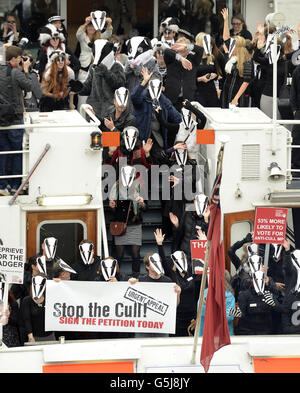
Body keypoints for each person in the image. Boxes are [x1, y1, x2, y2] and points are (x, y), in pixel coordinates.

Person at [154, 228, 201, 336]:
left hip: (192, 315)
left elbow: (203, 264)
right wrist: (160, 244)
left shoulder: (192, 272)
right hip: (176, 316)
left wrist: (203, 242)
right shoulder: (172, 274)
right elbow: (164, 263)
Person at [0, 44, 33, 196]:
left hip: (1, 119)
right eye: (20, 58)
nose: (21, 60)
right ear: (13, 59)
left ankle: (2, 184)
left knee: (4, 152)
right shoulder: (16, 73)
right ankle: (15, 185)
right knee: (16, 152)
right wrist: (26, 70)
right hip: (15, 118)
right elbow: (30, 86)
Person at [131, 67, 182, 156]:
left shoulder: (163, 101)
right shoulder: (142, 98)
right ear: (148, 86)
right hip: (141, 139)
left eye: (158, 86)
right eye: (152, 85)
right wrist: (144, 81)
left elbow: (177, 118)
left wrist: (162, 99)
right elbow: (134, 97)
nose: (155, 88)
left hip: (158, 140)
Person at [71, 39, 126, 121]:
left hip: (111, 112)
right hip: (93, 111)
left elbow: (120, 86)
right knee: (93, 133)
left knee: (110, 134)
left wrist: (106, 72)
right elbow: (89, 87)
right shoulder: (93, 68)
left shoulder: (117, 67)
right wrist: (80, 88)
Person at [109, 170, 147, 278]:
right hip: (121, 225)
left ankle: (136, 277)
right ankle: (116, 277)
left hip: (135, 224)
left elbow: (145, 208)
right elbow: (113, 210)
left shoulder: (139, 186)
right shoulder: (116, 186)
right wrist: (112, 206)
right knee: (119, 255)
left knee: (136, 254)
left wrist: (142, 203)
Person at [76, 14, 113, 109]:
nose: (91, 28)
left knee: (95, 96)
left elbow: (108, 33)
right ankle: (82, 117)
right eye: (89, 26)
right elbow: (78, 33)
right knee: (82, 97)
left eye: (93, 26)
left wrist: (108, 23)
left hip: (95, 71)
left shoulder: (100, 37)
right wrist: (86, 22)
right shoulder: (83, 37)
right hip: (84, 70)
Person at [220, 8, 253, 108]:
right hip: (227, 93)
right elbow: (226, 38)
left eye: (232, 46)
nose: (229, 47)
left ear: (237, 47)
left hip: (239, 97)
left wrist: (236, 98)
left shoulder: (246, 61)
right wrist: (225, 20)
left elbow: (246, 82)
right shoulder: (232, 58)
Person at [163, 35, 204, 111]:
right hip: (171, 98)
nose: (180, 49)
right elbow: (166, 51)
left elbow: (200, 50)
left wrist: (185, 46)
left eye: (183, 47)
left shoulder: (193, 59)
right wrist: (181, 59)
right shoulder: (172, 58)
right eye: (178, 47)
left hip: (187, 98)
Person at [19, 274, 56, 343]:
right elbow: (27, 320)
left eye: (41, 285)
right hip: (34, 337)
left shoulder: (50, 298)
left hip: (50, 336)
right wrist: (30, 337)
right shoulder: (27, 301)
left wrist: (58, 282)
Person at [194, 32, 223, 107]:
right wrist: (201, 79)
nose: (210, 45)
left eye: (210, 43)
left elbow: (217, 73)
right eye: (207, 43)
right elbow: (188, 79)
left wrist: (214, 75)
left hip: (211, 92)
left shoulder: (212, 57)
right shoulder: (193, 58)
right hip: (198, 93)